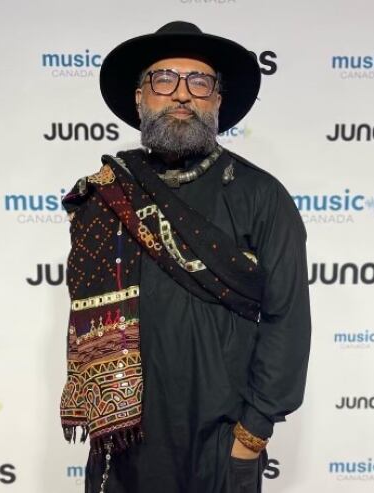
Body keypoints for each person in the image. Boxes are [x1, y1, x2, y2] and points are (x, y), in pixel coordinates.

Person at [60, 21, 312, 493]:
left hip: (220, 435)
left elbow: (288, 318)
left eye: (199, 82)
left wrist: (252, 432)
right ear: (140, 98)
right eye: (164, 79)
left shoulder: (261, 195)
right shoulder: (106, 194)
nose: (181, 94)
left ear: (217, 100)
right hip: (124, 436)